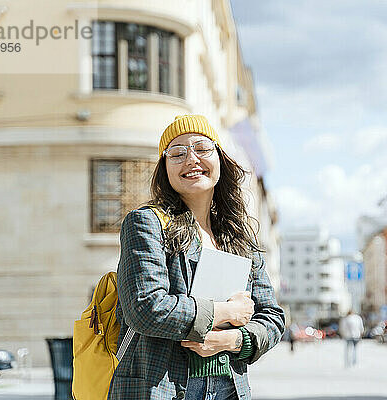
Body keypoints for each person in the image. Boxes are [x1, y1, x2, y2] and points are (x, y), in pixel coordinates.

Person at [108, 115, 285, 400]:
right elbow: (145, 307)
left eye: (202, 149)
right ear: (164, 170)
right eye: (177, 153)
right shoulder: (146, 223)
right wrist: (224, 312)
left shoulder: (239, 237)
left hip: (228, 388)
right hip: (162, 387)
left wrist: (233, 340)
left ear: (219, 158)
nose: (191, 159)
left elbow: (273, 318)